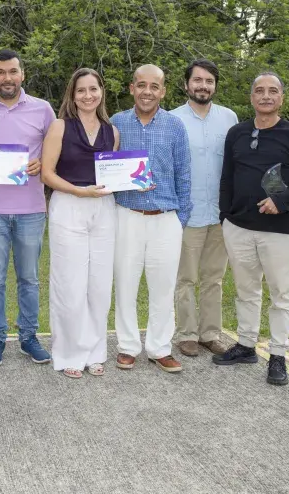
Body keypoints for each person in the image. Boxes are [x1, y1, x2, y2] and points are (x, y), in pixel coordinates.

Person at [214, 72, 289, 386]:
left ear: (281, 98)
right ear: (251, 97)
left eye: (272, 91)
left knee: (280, 294)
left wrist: (283, 201)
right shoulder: (236, 133)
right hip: (238, 227)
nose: (265, 96)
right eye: (259, 91)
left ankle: (277, 355)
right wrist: (225, 216)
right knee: (246, 290)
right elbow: (227, 179)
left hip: (278, 230)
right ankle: (246, 345)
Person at [0, 49, 55, 366]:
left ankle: (29, 336)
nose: (7, 78)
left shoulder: (43, 110)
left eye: (13, 71)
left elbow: (55, 155)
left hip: (31, 209)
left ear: (23, 74)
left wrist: (42, 162)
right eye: (1, 72)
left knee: (29, 278)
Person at [110, 64, 192, 374]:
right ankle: (128, 347)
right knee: (126, 285)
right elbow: (105, 169)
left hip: (165, 218)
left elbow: (184, 174)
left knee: (163, 287)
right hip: (127, 216)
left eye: (154, 86)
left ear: (163, 91)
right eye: (141, 85)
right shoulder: (117, 123)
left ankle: (159, 348)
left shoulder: (175, 126)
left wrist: (180, 218)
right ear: (131, 88)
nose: (147, 91)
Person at [41, 68, 119, 378]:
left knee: (98, 286)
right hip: (69, 205)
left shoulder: (112, 132)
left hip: (103, 208)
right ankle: (68, 354)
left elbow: (112, 174)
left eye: (93, 89)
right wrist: (78, 191)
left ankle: (95, 353)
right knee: (70, 285)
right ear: (72, 96)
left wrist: (138, 181)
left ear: (102, 91)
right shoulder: (60, 127)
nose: (88, 95)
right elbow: (47, 173)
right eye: (81, 90)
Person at [170, 59, 238, 357]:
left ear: (215, 86)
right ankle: (186, 333)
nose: (203, 86)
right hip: (187, 213)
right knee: (185, 278)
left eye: (209, 81)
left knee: (214, 277)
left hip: (221, 213)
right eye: (197, 80)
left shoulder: (229, 118)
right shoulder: (172, 119)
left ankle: (210, 333)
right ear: (186, 85)